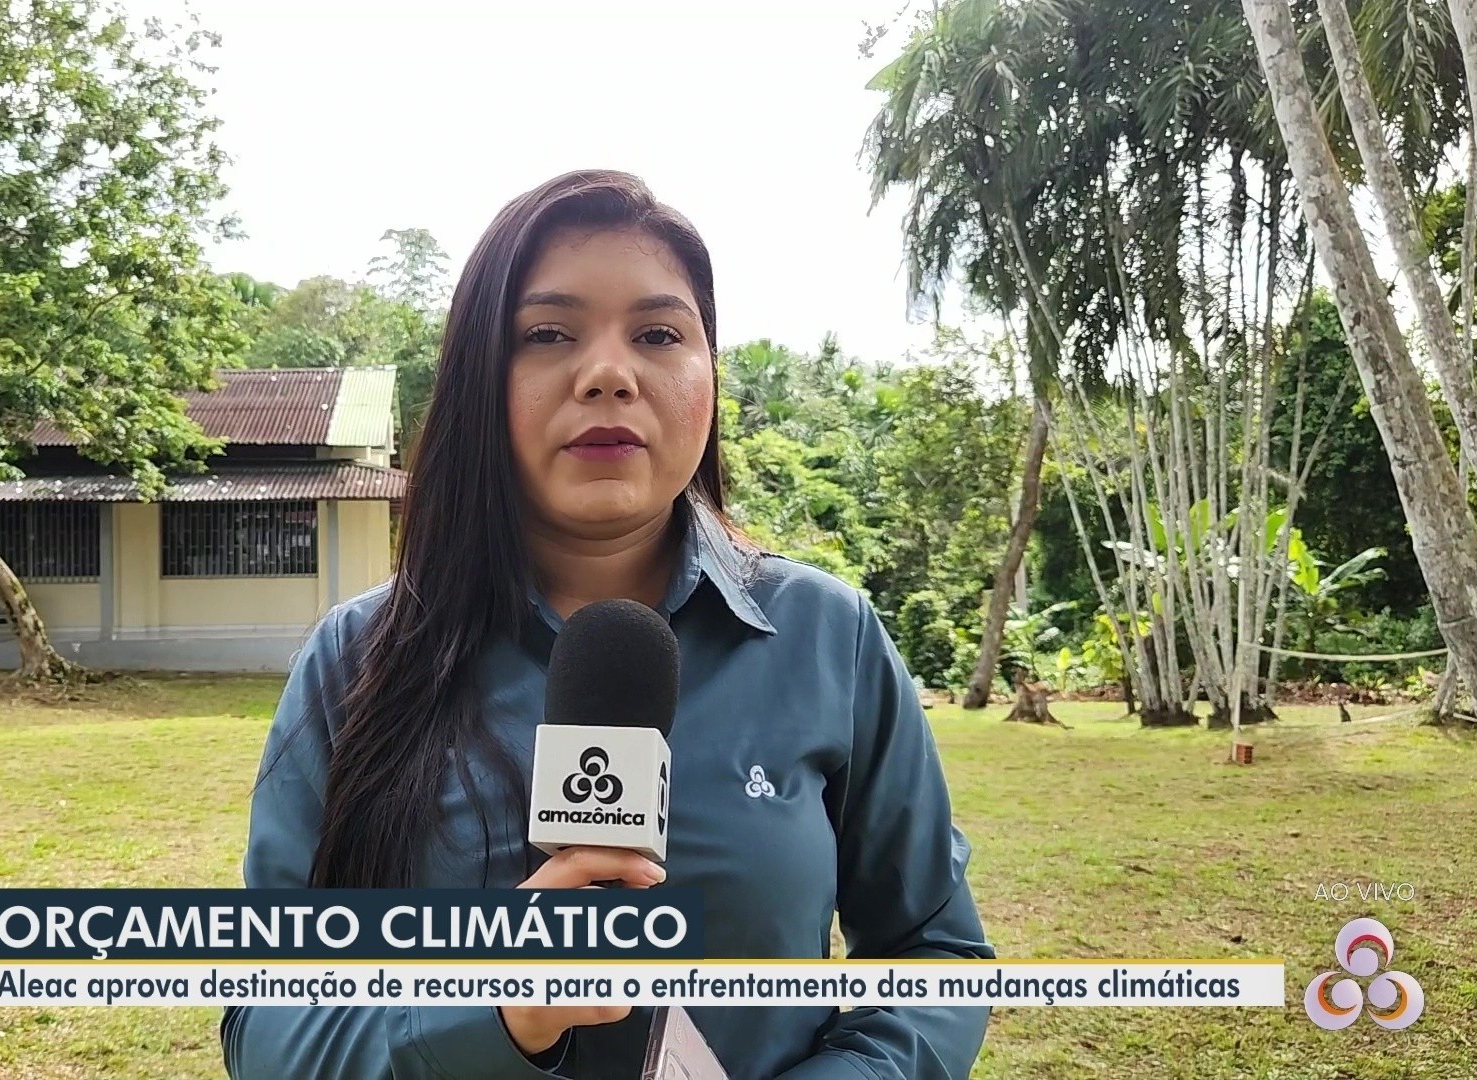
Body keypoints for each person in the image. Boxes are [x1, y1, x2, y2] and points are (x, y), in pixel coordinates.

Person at [222, 170, 995, 1080]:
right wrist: (495, 1012)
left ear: (710, 376)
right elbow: (265, 1020)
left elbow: (934, 958)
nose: (608, 375)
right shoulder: (357, 660)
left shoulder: (831, 636)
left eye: (659, 334)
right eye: (547, 334)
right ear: (480, 379)